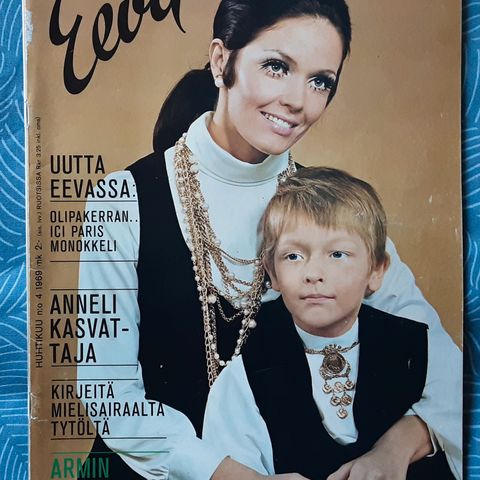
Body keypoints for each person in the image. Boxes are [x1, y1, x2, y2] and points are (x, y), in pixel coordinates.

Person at [77, 1, 461, 479]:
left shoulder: (336, 210)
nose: (299, 101)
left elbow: (449, 371)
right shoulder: (120, 198)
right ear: (221, 60)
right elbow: (108, 395)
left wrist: (395, 448)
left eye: (320, 81)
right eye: (277, 67)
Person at [202, 167, 461, 479]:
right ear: (272, 272)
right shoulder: (245, 374)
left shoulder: (419, 346)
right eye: (293, 256)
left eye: (337, 254)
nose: (314, 273)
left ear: (376, 270)